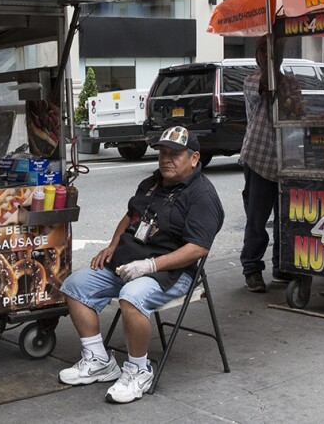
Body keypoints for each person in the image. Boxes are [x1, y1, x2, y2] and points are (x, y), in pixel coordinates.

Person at [58, 125, 224, 404]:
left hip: (172, 272)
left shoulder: (202, 195)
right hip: (128, 261)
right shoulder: (152, 182)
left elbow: (198, 248)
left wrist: (149, 266)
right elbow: (130, 216)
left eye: (175, 154)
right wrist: (112, 246)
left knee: (132, 297)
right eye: (162, 153)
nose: (166, 159)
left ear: (194, 158)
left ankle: (138, 370)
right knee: (75, 285)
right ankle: (99, 359)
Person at [240, 38, 286, 292]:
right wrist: (271, 62)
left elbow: (297, 110)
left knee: (284, 218)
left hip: (285, 159)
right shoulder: (251, 80)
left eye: (273, 51)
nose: (266, 55)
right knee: (257, 219)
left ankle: (281, 266)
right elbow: (265, 87)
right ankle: (252, 267)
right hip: (258, 158)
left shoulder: (290, 82)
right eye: (262, 51)